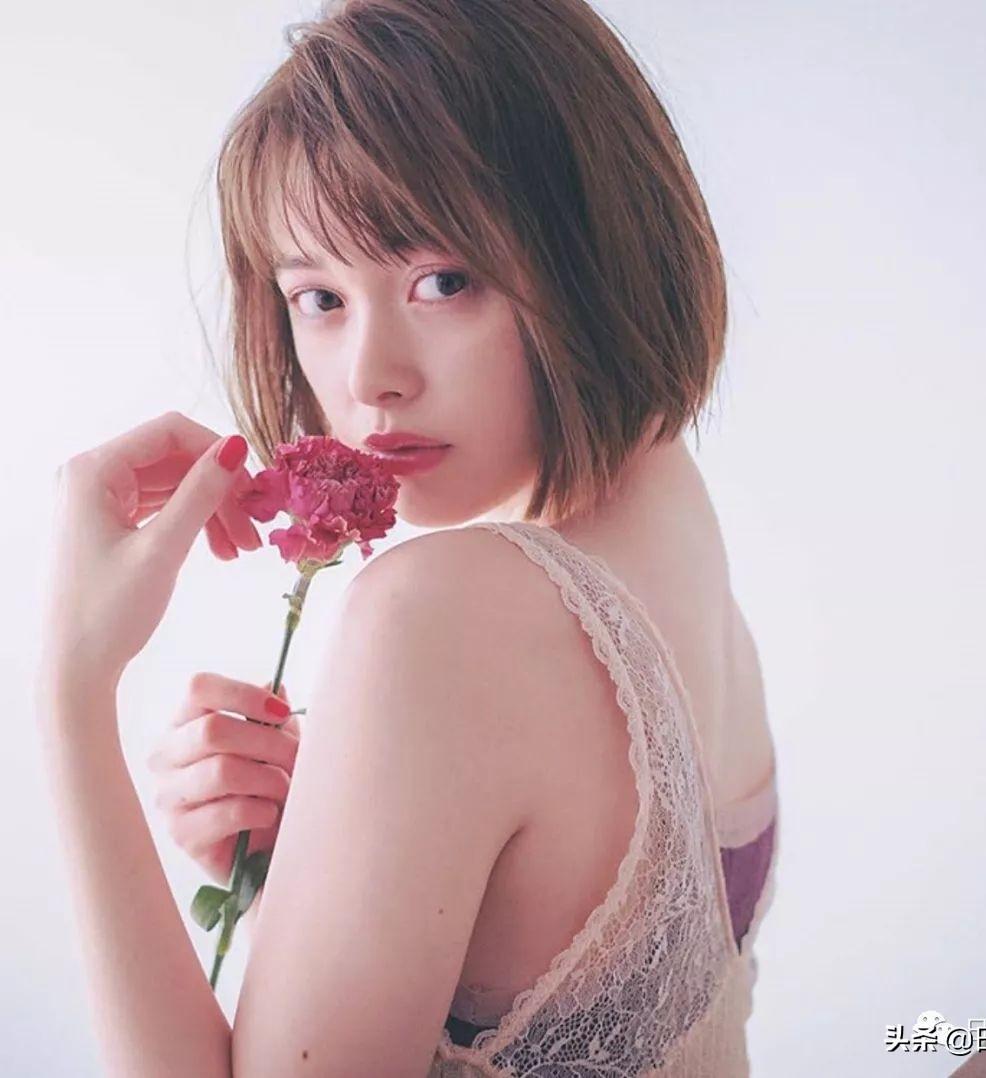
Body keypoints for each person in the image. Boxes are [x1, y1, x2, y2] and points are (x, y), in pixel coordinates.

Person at [36, 0, 780, 1074]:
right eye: (319, 296)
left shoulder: (445, 611)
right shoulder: (672, 516)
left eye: (443, 281)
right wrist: (326, 854)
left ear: (592, 246)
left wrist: (71, 695)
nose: (370, 375)